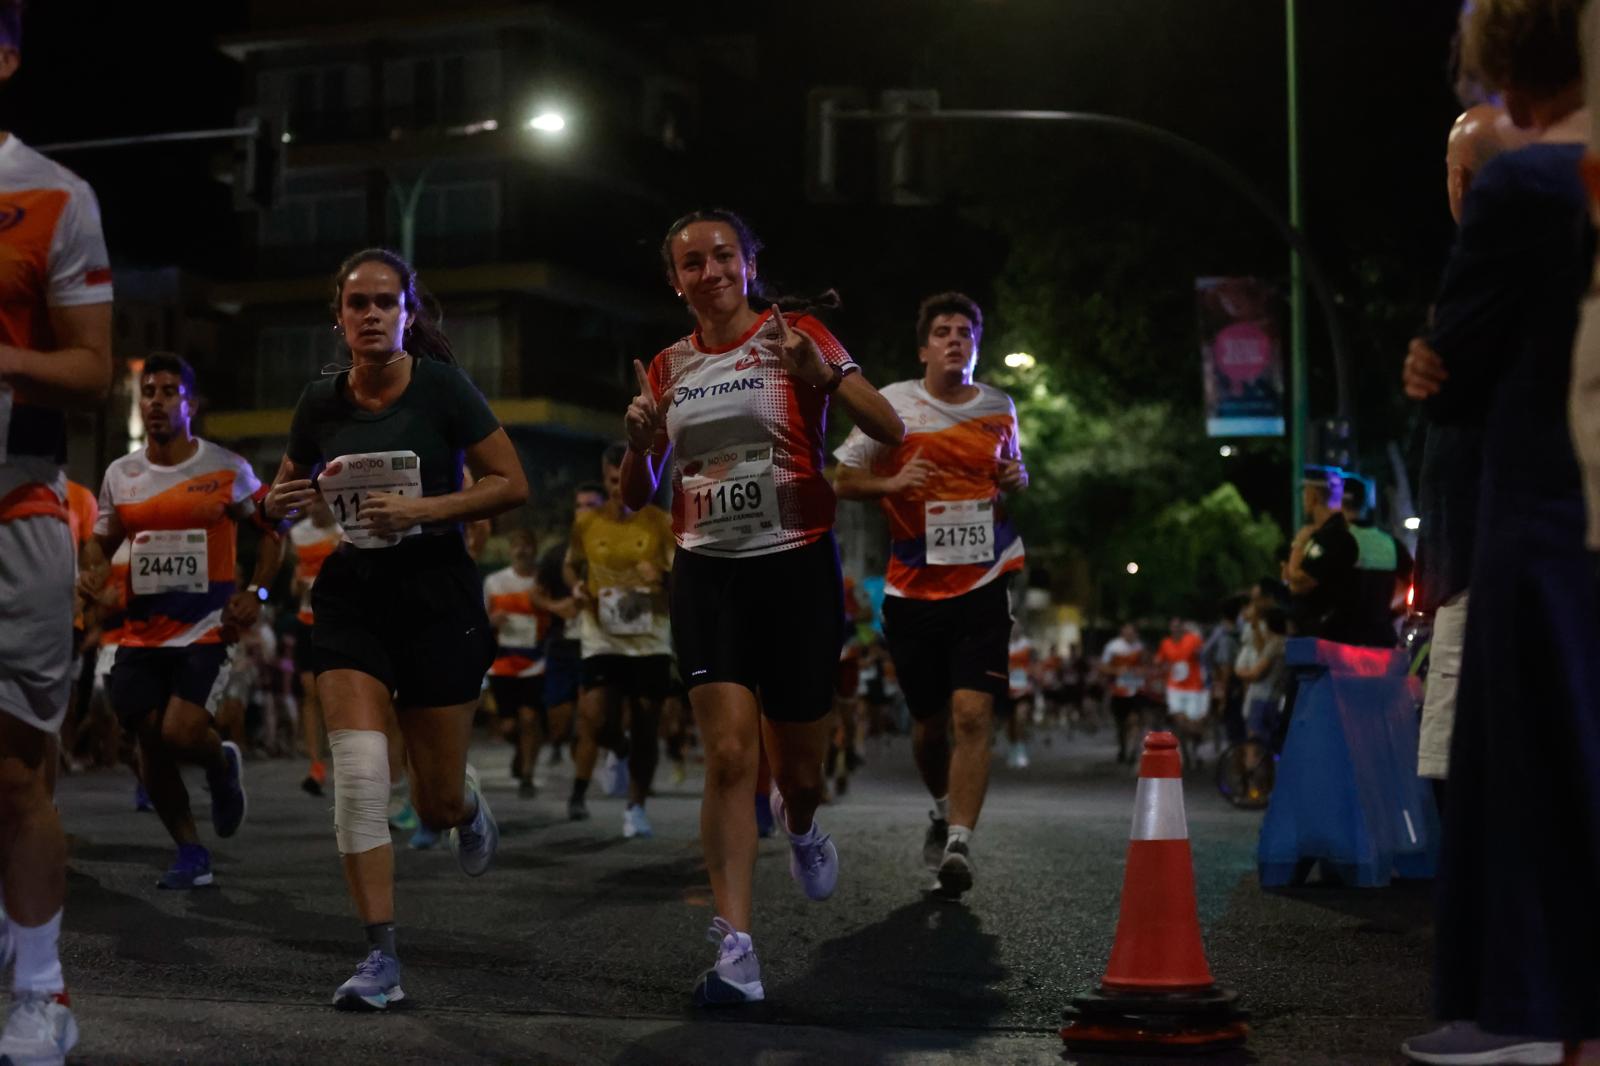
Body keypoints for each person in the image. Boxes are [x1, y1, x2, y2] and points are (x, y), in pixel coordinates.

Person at [621, 208, 903, 1005]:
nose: (709, 272)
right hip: (707, 573)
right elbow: (637, 494)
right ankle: (736, 951)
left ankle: (802, 825)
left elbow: (890, 428)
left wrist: (824, 376)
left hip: (796, 567)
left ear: (748, 264)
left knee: (799, 773)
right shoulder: (667, 366)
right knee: (728, 757)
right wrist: (639, 443)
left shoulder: (796, 335)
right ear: (674, 281)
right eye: (692, 263)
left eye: (723, 256)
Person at [1398, 2, 1597, 1060]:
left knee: (1540, 781)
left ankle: (1548, 1021)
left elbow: (1455, 366)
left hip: (1542, 521)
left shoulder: (1526, 187)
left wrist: (1435, 358)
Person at [261, 247, 529, 1010]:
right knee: (359, 774)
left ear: (408, 313)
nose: (372, 314)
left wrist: (423, 510)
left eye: (386, 302)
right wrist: (272, 505)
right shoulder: (319, 402)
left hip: (437, 594)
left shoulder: (443, 388)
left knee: (434, 803)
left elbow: (511, 483)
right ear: (339, 317)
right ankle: (380, 958)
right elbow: (284, 488)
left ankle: (465, 807)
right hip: (353, 596)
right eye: (359, 303)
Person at [0, 7, 114, 1056]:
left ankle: (42, 991)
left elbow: (91, 370)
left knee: (13, 774)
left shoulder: (52, 194)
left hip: (14, 513)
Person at [833, 290, 1027, 897]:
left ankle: (960, 843)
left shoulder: (999, 406)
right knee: (928, 724)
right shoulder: (893, 404)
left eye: (965, 333)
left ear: (976, 347)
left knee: (972, 713)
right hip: (912, 587)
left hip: (983, 579)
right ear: (924, 349)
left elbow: (1009, 472)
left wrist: (1016, 476)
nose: (954, 341)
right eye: (942, 332)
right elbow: (843, 479)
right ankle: (942, 811)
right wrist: (892, 482)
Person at [80, 353, 276, 890]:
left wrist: (256, 592)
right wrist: (90, 572)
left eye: (169, 392)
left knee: (180, 732)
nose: (157, 401)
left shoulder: (227, 467)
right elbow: (102, 543)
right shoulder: (121, 475)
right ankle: (190, 849)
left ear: (191, 403)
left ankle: (220, 765)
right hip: (141, 634)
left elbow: (272, 532)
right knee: (149, 740)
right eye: (149, 392)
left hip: (205, 628)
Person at [1407, 104, 1529, 783]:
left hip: (1487, 572)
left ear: (1459, 180)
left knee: (1460, 772)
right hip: (1505, 566)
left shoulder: (1497, 270)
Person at [563, 443, 675, 835]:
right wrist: (577, 587)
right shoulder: (586, 523)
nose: (620, 489)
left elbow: (687, 576)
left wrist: (662, 577)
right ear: (606, 476)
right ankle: (618, 747)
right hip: (602, 635)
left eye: (627, 481)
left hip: (649, 638)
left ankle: (636, 807)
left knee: (646, 724)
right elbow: (570, 566)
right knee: (595, 719)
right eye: (614, 481)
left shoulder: (661, 523)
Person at [484, 528, 565, 798]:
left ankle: (528, 776)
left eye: (527, 545)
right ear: (510, 550)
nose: (522, 550)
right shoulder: (494, 582)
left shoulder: (543, 582)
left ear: (535, 549)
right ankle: (520, 750)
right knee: (509, 727)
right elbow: (479, 618)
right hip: (502, 663)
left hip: (535, 662)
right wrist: (491, 622)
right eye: (517, 545)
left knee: (530, 718)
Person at [536, 483, 602, 773]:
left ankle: (583, 781)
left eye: (591, 505)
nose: (584, 511)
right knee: (558, 721)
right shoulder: (557, 554)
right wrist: (556, 606)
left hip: (601, 644)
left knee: (592, 718)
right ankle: (562, 743)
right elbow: (536, 594)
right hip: (564, 644)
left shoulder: (614, 549)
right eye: (579, 505)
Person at [287, 494, 340, 795]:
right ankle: (316, 765)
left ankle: (343, 760)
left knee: (334, 694)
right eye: (310, 503)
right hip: (307, 620)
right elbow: (294, 585)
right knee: (310, 693)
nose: (313, 508)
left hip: (338, 622)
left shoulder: (346, 530)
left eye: (319, 502)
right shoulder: (298, 534)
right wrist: (298, 585)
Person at [1282, 466, 1361, 643]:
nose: (1303, 499)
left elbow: (1298, 580)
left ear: (1314, 496)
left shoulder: (1332, 538)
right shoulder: (1327, 535)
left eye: (1305, 493)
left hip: (1323, 638)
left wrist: (1299, 543)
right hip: (1318, 635)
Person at [1339, 473, 1413, 649]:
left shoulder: (1335, 542)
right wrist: (1392, 613)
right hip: (1382, 639)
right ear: (1366, 503)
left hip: (1341, 642)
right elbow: (1414, 582)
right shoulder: (1390, 543)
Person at [1154, 618, 1208, 767]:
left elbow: (1204, 655)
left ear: (1183, 629)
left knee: (1193, 725)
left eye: (1178, 627)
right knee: (1179, 720)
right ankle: (1185, 753)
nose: (1176, 629)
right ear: (1170, 629)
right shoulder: (1166, 643)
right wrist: (1160, 666)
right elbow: (1159, 660)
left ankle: (1196, 745)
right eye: (1173, 627)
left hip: (1193, 688)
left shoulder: (1193, 640)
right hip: (1174, 688)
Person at [1098, 623, 1146, 763]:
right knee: (1121, 723)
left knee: (1135, 719)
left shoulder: (1140, 647)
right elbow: (1103, 667)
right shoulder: (1113, 647)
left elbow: (1146, 665)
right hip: (1118, 690)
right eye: (1127, 633)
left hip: (1136, 688)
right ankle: (1123, 748)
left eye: (1132, 633)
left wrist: (1141, 671)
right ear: (1122, 633)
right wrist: (1116, 671)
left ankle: (1133, 751)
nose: (1130, 635)